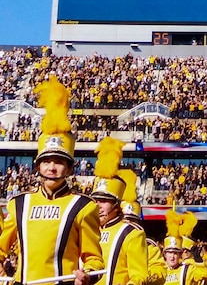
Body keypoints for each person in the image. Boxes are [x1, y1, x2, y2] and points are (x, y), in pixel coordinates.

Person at [0, 77, 105, 285]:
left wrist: (89, 274)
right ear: (38, 166)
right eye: (46, 161)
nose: (52, 167)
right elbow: (2, 247)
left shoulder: (84, 206)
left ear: (69, 168)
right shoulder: (18, 204)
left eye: (59, 162)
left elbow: (94, 259)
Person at [89, 137, 149, 285]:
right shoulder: (86, 229)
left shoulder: (132, 234)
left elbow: (139, 276)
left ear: (116, 205)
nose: (98, 206)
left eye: (104, 201)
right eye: (96, 201)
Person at [118, 172, 166, 285]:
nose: (128, 224)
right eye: (125, 220)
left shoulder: (148, 246)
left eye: (132, 220)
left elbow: (159, 271)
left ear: (138, 222)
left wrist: (143, 277)